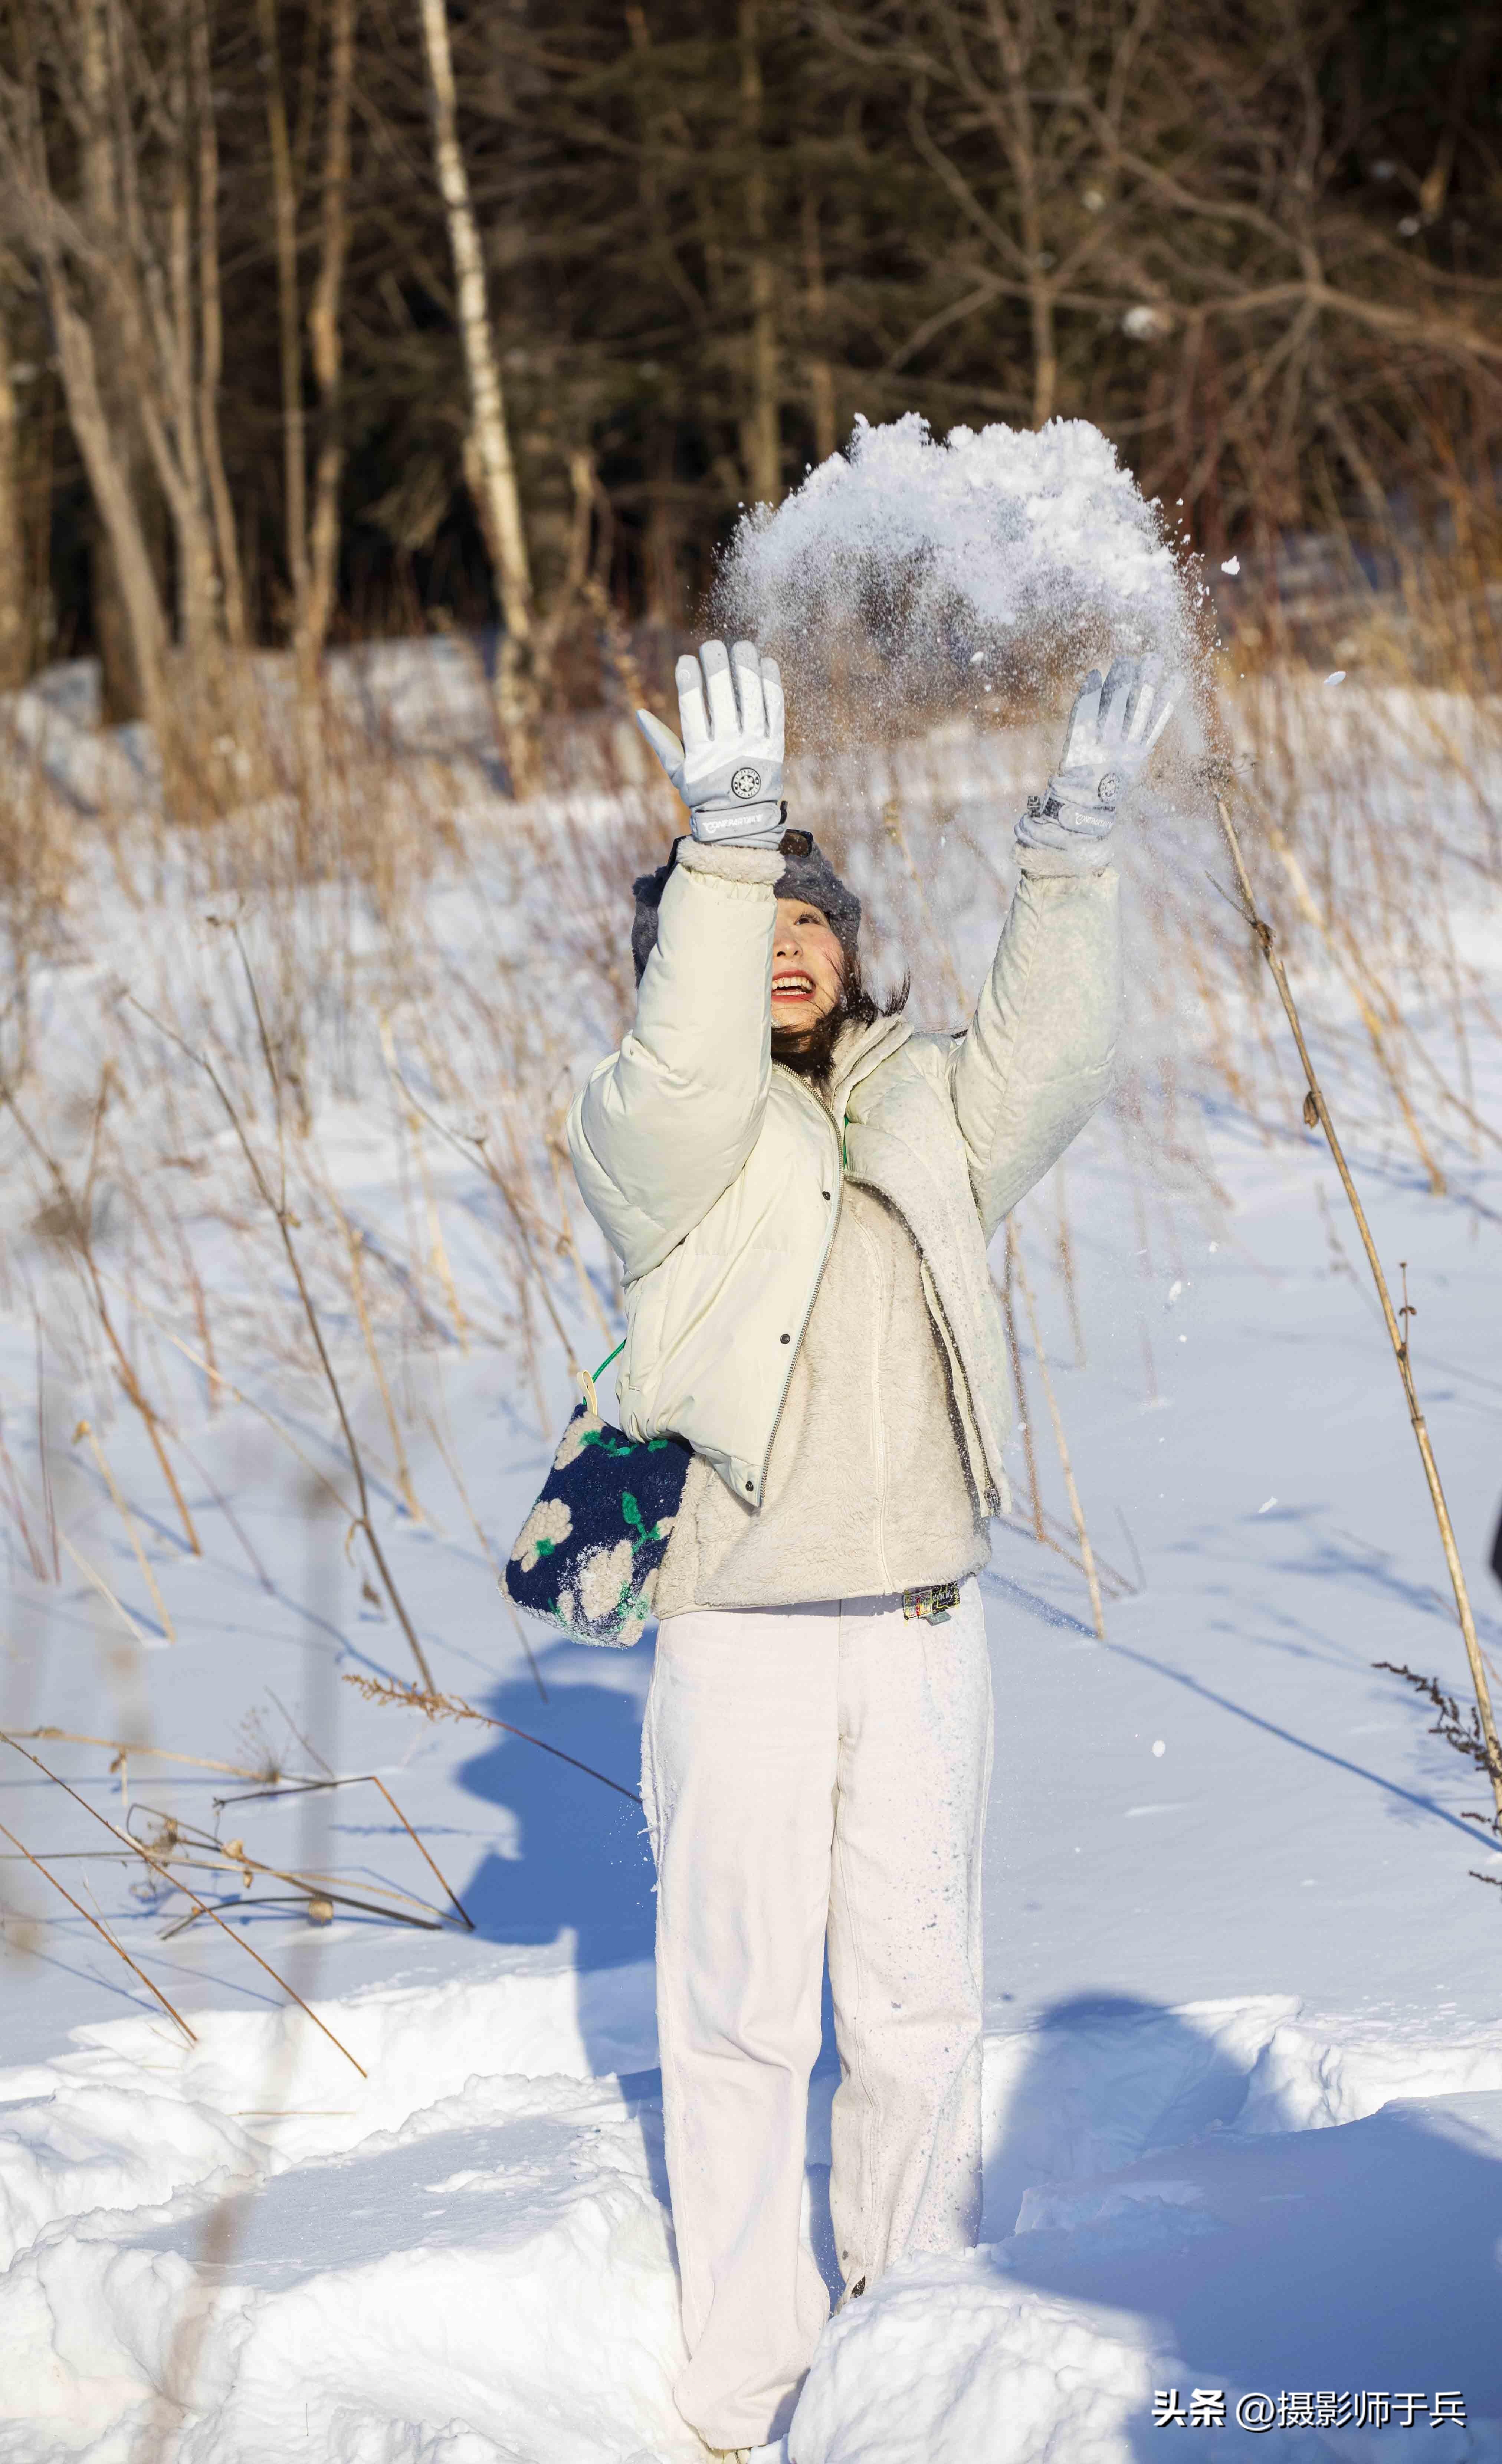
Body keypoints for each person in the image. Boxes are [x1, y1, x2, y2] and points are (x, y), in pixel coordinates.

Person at [567, 638, 1177, 2460]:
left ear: (848, 942)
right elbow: (681, 1064)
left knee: (912, 2001)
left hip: (918, 1624)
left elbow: (1052, 1057)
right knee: (743, 2011)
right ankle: (748, 2381)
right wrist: (720, 847)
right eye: (747, 914)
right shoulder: (654, 1136)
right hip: (740, 1634)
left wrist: (1070, 844)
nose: (782, 938)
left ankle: (915, 2342)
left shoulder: (926, 1108)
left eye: (807, 913)